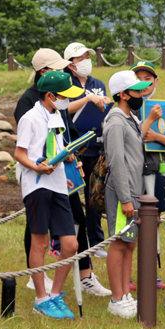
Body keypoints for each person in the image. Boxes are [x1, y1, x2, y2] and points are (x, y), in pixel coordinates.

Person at [13, 70, 83, 320]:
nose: (67, 100)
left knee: (71, 244)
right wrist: (37, 167)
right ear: (50, 96)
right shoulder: (30, 118)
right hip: (37, 184)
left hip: (58, 184)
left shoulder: (57, 116)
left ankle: (55, 294)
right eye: (64, 96)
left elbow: (56, 148)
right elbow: (20, 154)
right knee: (40, 242)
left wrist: (66, 161)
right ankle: (41, 298)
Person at [101, 70, 152, 319]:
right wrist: (125, 198)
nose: (141, 94)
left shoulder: (130, 117)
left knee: (129, 244)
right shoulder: (116, 121)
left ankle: (125, 293)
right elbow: (116, 162)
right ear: (122, 94)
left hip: (135, 190)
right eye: (137, 91)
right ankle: (116, 297)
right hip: (123, 192)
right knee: (118, 243)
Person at [132, 60, 165, 290]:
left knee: (153, 222)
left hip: (160, 170)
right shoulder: (128, 108)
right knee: (133, 223)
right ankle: (131, 276)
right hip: (135, 173)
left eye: (148, 78)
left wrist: (157, 137)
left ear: (156, 81)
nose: (144, 83)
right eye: (139, 78)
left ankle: (151, 272)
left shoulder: (164, 108)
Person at [64, 43, 110, 260]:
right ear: (70, 64)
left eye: (86, 57)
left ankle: (96, 241)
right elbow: (65, 109)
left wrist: (104, 103)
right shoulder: (65, 83)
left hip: (95, 143)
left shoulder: (98, 83)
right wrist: (87, 99)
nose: (85, 61)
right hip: (73, 145)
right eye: (80, 58)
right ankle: (62, 239)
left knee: (94, 194)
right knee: (70, 193)